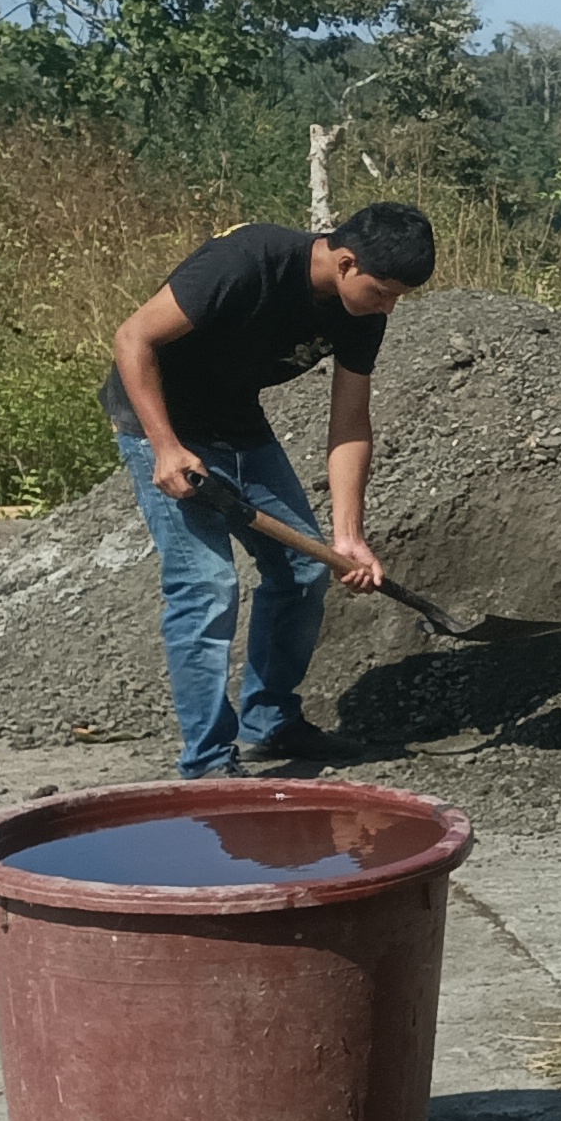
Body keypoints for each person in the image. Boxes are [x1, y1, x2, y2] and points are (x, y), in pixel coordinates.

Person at [104, 204, 435, 780]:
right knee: (207, 585)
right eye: (384, 293)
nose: (388, 307)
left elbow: (350, 421)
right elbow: (133, 337)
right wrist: (165, 447)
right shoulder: (246, 261)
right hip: (159, 422)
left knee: (304, 573)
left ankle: (270, 719)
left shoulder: (361, 311)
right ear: (346, 262)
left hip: (237, 425)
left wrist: (348, 536)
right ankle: (208, 761)